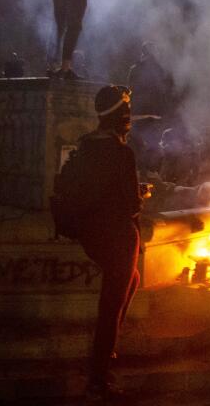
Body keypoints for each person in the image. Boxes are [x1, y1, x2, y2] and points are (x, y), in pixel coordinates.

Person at [77, 85, 146, 399]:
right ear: (121, 115)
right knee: (112, 302)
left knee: (132, 280)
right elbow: (132, 204)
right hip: (118, 237)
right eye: (126, 110)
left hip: (93, 234)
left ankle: (108, 348)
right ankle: (98, 378)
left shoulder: (86, 145)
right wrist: (142, 194)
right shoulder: (122, 153)